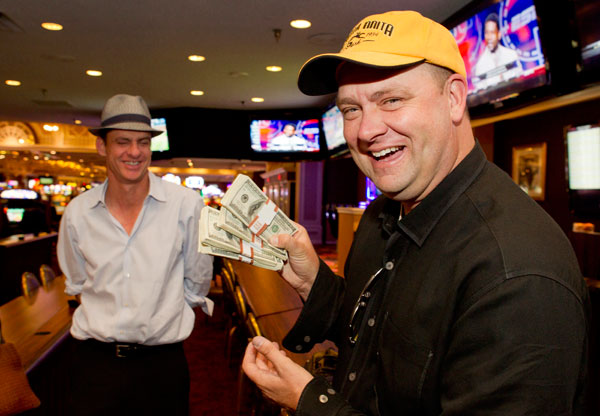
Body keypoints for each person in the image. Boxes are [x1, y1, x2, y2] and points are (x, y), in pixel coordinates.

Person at [242, 11, 589, 415]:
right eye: (350, 109)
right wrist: (314, 284)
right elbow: (376, 338)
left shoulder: (517, 271)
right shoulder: (381, 216)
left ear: (454, 98)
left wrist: (312, 403)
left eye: (391, 100)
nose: (366, 130)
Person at [57, 94, 214, 415]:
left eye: (143, 142)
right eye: (123, 141)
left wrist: (160, 316)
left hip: (162, 366)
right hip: (93, 364)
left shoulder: (186, 205)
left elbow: (198, 282)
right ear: (102, 147)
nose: (134, 152)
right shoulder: (77, 213)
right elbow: (75, 284)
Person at [473, 13, 523, 90]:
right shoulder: (480, 65)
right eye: (487, 33)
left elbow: (520, 81)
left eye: (492, 33)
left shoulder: (511, 55)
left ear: (499, 34)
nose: (489, 37)